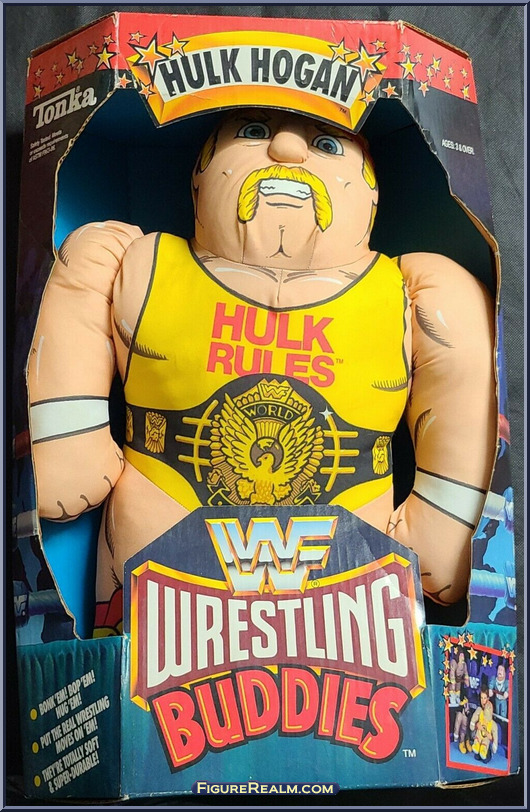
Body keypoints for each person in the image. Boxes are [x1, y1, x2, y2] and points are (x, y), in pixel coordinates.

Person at [26, 108, 496, 631]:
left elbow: (463, 383)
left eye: (326, 144)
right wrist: (68, 435)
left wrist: (445, 514)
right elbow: (75, 304)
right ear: (200, 173)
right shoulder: (141, 261)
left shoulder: (410, 291)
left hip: (346, 590)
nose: (287, 150)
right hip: (163, 569)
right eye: (253, 133)